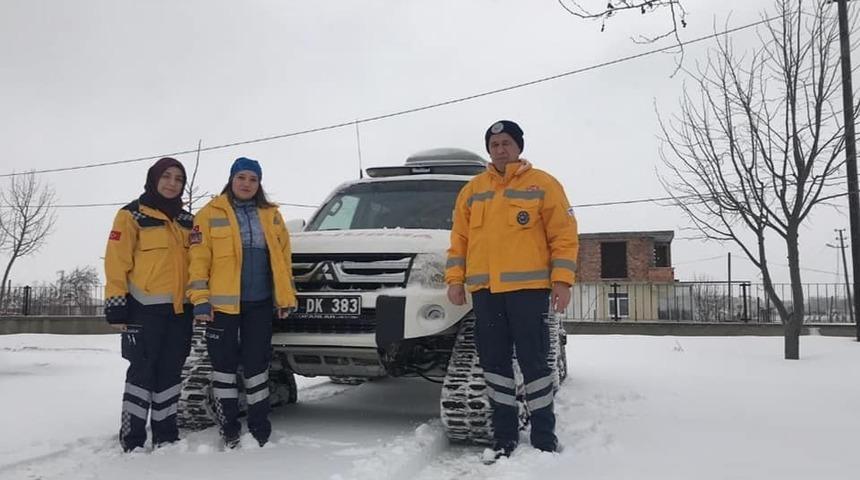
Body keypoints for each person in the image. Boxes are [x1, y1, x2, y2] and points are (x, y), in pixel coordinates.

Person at [445, 120, 579, 461]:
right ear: (488, 150)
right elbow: (459, 240)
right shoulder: (472, 190)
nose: (500, 149)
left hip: (529, 292)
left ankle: (543, 436)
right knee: (494, 365)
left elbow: (563, 236)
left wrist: (562, 281)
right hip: (486, 292)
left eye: (506, 143)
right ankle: (504, 436)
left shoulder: (543, 185)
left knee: (534, 365)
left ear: (519, 147)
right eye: (494, 145)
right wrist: (455, 280)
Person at [187, 157, 297, 448]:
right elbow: (198, 261)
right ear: (231, 180)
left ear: (259, 183)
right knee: (223, 368)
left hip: (259, 305)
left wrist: (285, 297)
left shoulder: (271, 215)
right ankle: (230, 427)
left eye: (253, 179)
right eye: (241, 178)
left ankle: (260, 428)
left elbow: (283, 260)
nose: (247, 184)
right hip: (221, 308)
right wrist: (200, 300)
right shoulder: (209, 214)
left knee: (256, 366)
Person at [103, 157, 195, 452]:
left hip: (180, 312)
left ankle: (166, 435)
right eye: (166, 176)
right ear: (154, 178)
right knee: (142, 372)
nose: (172, 183)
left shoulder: (188, 222)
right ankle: (132, 439)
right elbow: (116, 262)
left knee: (170, 373)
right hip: (143, 309)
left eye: (178, 178)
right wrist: (116, 304)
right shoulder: (131, 216)